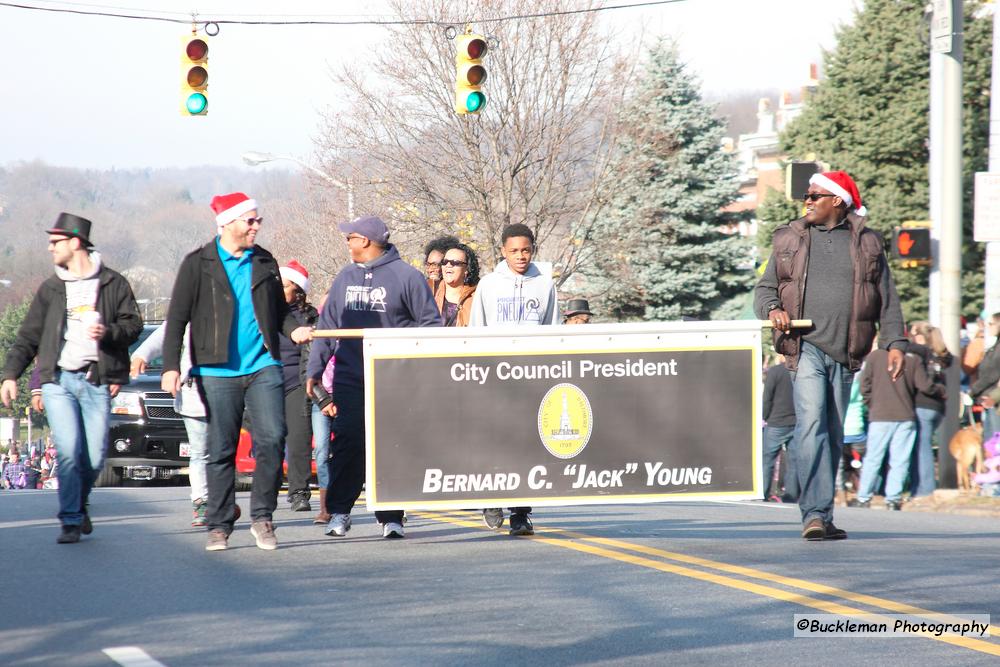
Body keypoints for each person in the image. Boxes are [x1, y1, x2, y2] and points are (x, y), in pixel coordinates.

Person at [754, 170, 906, 541]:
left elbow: (886, 296)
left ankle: (824, 512)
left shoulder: (868, 243)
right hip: (804, 347)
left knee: (834, 432)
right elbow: (764, 289)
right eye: (806, 195)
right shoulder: (789, 239)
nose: (806, 200)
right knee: (811, 425)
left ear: (837, 200)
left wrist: (895, 342)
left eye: (814, 195)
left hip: (847, 352)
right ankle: (814, 514)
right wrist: (773, 308)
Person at [162, 192, 312, 552]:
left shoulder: (264, 261)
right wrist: (170, 367)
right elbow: (177, 318)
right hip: (217, 369)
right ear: (227, 223)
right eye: (250, 220)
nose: (256, 226)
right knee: (221, 447)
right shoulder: (198, 263)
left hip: (263, 364)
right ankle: (219, 523)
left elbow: (279, 311)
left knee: (273, 438)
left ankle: (262, 517)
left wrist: (293, 330)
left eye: (258, 219)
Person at [0, 212, 142, 543]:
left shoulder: (113, 283)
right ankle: (71, 519)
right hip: (58, 381)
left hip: (97, 379)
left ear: (75, 243)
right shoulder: (51, 288)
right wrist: (10, 375)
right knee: (67, 450)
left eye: (56, 242)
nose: (50, 248)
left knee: (92, 457)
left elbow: (133, 325)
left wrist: (108, 331)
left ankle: (79, 500)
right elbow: (28, 335)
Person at [307, 215, 442, 539]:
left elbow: (431, 326)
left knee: (391, 447)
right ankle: (339, 512)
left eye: (350, 238)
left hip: (395, 380)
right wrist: (314, 370)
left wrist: (416, 367)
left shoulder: (407, 276)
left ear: (365, 241)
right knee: (349, 443)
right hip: (351, 376)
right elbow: (328, 329)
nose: (347, 243)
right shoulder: (345, 278)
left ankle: (392, 517)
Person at [470, 223, 559, 535]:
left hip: (532, 376)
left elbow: (553, 331)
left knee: (526, 446)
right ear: (503, 252)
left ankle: (521, 513)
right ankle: (492, 498)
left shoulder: (545, 285)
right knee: (496, 440)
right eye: (514, 251)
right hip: (496, 376)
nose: (521, 256)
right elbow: (476, 331)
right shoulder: (489, 285)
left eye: (526, 250)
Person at [131, 321, 214, 527]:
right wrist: (142, 355)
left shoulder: (235, 300)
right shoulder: (191, 301)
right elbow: (169, 331)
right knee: (199, 451)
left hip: (231, 388)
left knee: (223, 451)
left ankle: (220, 499)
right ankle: (201, 502)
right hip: (194, 390)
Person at [856, 345, 943, 510]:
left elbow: (864, 384)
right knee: (900, 460)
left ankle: (863, 497)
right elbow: (924, 385)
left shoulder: (875, 357)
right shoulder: (913, 359)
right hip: (905, 414)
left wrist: (871, 404)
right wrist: (940, 389)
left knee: (873, 458)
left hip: (879, 415)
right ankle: (893, 499)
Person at [278, 259, 319, 513]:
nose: (278, 291)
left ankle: (299, 492)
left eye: (284, 286)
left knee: (299, 440)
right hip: (267, 381)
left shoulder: (310, 316)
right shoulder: (264, 311)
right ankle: (268, 486)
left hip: (296, 383)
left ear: (298, 291)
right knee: (268, 440)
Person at [906, 322, 953, 497]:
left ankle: (925, 490)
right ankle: (920, 487)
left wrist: (908, 335)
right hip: (938, 408)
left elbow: (902, 345)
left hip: (922, 404)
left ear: (920, 337)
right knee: (923, 446)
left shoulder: (921, 352)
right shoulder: (941, 356)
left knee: (921, 448)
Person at [762, 354, 797, 502]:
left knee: (767, 460)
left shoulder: (775, 371)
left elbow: (767, 396)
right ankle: (791, 496)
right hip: (796, 421)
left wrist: (766, 416)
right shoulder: (799, 371)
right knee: (794, 461)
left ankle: (764, 493)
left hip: (776, 421)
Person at [969, 313, 1000, 444]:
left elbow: (992, 374)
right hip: (989, 398)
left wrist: (973, 391)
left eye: (991, 323)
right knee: (990, 441)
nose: (988, 326)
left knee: (994, 442)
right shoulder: (995, 346)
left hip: (994, 399)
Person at [434, 241, 480, 326]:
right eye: (444, 262)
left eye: (455, 262)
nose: (448, 265)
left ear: (466, 269)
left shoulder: (476, 297)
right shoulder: (430, 290)